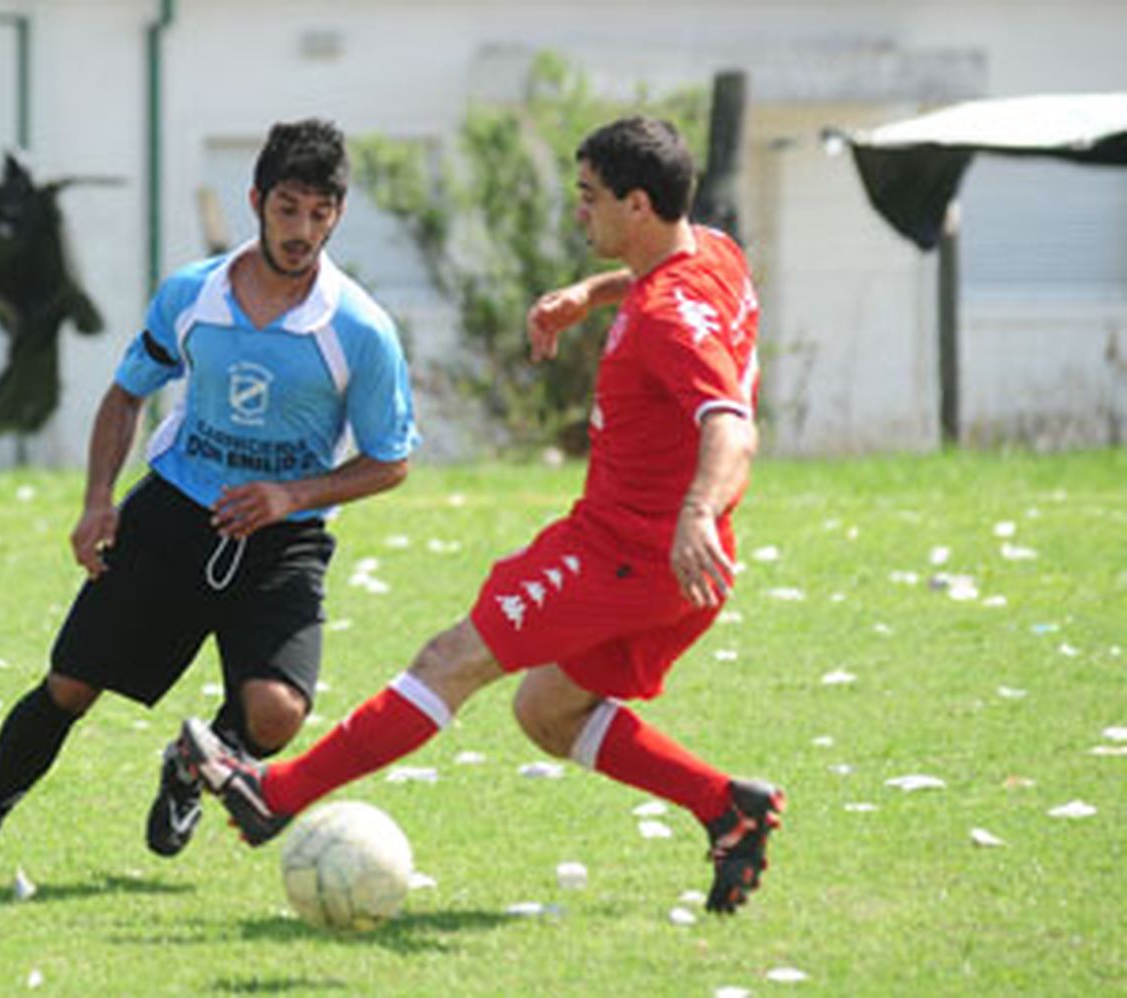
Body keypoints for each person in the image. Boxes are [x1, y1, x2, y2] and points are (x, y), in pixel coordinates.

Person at [181, 116, 784, 915]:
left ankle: (275, 796)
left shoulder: (672, 322)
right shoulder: (711, 252)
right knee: (547, 711)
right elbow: (664, 288)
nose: (580, 214)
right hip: (671, 566)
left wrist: (698, 509)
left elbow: (730, 424)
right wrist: (591, 296)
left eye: (590, 198)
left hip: (627, 552)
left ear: (638, 204)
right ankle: (727, 807)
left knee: (449, 662)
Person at [0, 119, 419, 886]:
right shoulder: (193, 295)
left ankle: (192, 763)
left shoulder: (360, 329)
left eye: (320, 213)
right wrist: (96, 503)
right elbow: (123, 398)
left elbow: (391, 460)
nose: (302, 230)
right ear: (257, 201)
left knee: (278, 712)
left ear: (339, 214)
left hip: (283, 540)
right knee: (69, 687)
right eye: (288, 209)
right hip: (174, 517)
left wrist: (292, 493)